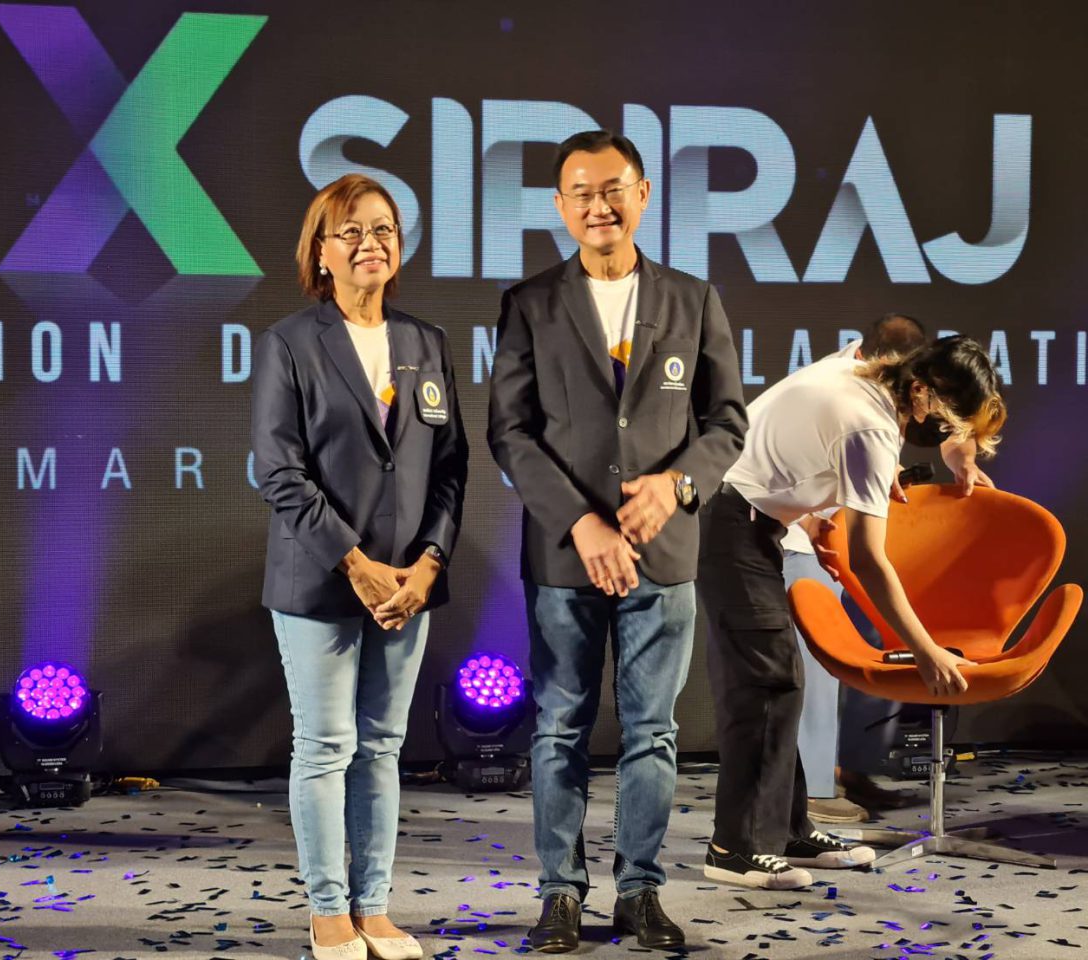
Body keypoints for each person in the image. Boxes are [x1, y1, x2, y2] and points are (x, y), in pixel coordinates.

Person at [488, 130, 746, 951]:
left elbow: (727, 421)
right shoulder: (530, 303)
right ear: (560, 207)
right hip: (567, 556)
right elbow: (510, 432)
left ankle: (640, 891)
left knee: (653, 733)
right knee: (559, 729)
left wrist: (676, 487)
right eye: (581, 193)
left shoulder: (693, 299)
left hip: (663, 553)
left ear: (642, 196)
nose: (598, 206)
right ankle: (560, 894)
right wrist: (581, 521)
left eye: (613, 189)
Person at [252, 173, 469, 960]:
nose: (370, 243)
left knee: (382, 747)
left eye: (383, 229)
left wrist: (428, 564)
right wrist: (356, 564)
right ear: (321, 253)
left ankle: (374, 907)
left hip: (409, 587)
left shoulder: (426, 342)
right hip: (319, 580)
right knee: (326, 747)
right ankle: (328, 912)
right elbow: (279, 471)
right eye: (350, 231)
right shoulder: (290, 343)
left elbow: (450, 468)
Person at [699, 334, 1005, 889]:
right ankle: (733, 848)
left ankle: (787, 831)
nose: (947, 434)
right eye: (950, 423)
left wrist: (816, 516)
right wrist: (925, 650)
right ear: (920, 392)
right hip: (727, 522)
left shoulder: (863, 368)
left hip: (756, 518)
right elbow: (868, 559)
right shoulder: (870, 425)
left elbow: (798, 447)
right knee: (765, 685)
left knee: (779, 685)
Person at [782, 315, 995, 824]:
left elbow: (952, 427)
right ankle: (813, 790)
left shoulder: (902, 390)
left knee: (879, 645)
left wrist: (962, 458)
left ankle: (853, 770)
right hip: (797, 531)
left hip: (844, 536)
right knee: (817, 665)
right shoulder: (842, 386)